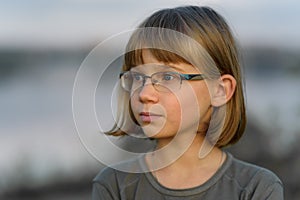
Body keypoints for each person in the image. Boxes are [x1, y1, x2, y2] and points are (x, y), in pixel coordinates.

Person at [92, 5, 283, 199]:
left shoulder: (257, 188)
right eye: (137, 77)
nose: (144, 94)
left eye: (167, 77)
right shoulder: (114, 185)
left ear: (220, 90)